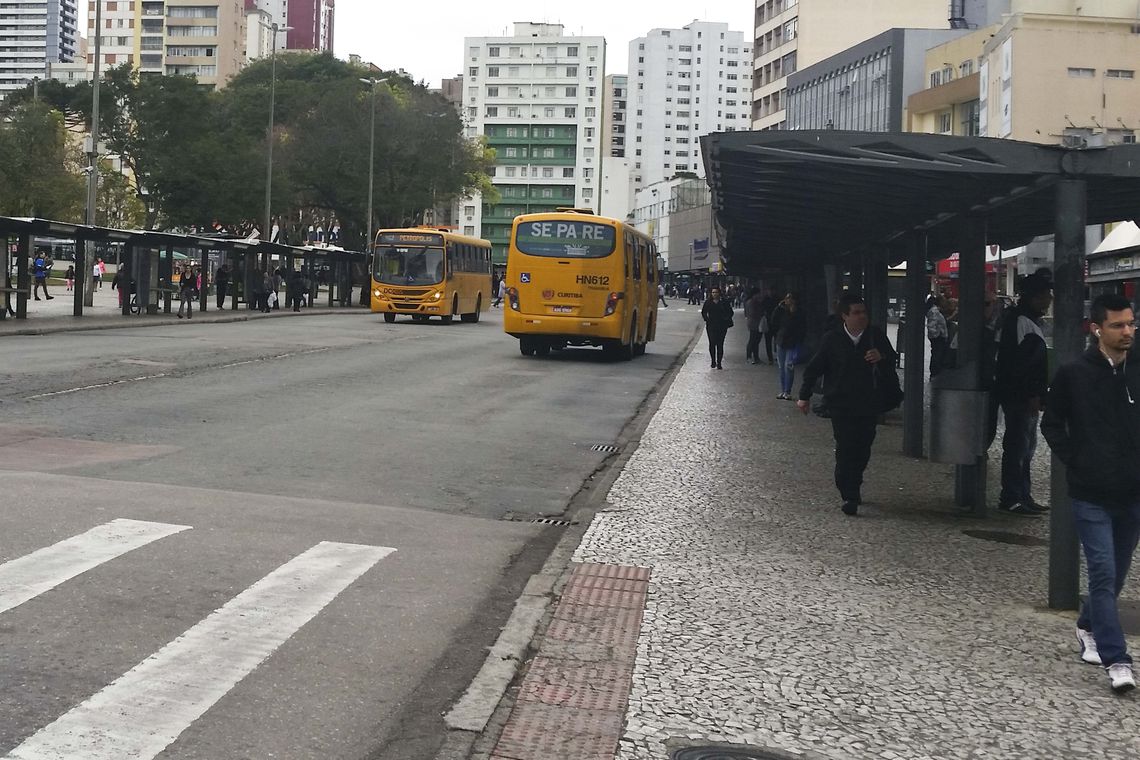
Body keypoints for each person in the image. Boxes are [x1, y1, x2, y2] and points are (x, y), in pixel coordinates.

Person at [1041, 293, 1140, 693]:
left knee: (1114, 575)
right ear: (1097, 328)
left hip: (1133, 491)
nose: (1128, 331)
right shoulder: (1073, 373)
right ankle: (1118, 660)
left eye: (1131, 323)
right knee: (1101, 572)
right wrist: (1076, 460)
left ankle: (1086, 624)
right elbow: (1052, 423)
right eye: (1118, 325)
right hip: (1090, 493)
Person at [797, 292, 899, 516]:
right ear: (845, 316)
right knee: (845, 447)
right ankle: (849, 493)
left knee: (863, 447)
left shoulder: (875, 336)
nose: (862, 316)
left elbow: (893, 359)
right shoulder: (832, 339)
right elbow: (815, 368)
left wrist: (881, 357)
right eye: (856, 313)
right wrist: (804, 396)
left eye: (864, 312)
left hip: (868, 403)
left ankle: (855, 481)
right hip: (841, 404)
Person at [993, 273, 1052, 516]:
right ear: (1035, 297)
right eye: (1046, 296)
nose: (1049, 300)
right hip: (1019, 397)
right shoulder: (1021, 322)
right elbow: (1022, 366)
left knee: (1026, 447)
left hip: (1022, 395)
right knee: (1018, 445)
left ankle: (1022, 494)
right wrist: (1032, 394)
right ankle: (1012, 496)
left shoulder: (1026, 321)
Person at [771, 292, 806, 399]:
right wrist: (778, 308)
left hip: (792, 342)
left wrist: (799, 341)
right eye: (786, 298)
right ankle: (783, 390)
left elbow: (803, 327)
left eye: (790, 298)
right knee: (781, 367)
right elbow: (773, 320)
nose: (787, 300)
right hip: (781, 341)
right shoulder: (782, 311)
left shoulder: (799, 313)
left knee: (788, 366)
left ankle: (787, 391)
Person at [700, 286, 734, 370]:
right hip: (711, 326)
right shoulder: (708, 302)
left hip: (722, 326)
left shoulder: (724, 302)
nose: (715, 294)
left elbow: (730, 312)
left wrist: (726, 319)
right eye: (713, 292)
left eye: (716, 292)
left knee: (720, 344)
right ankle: (713, 361)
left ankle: (719, 362)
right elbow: (704, 312)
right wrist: (707, 319)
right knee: (712, 343)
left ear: (719, 293)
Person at [927, 295, 949, 377]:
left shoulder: (937, 311)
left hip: (938, 338)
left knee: (937, 354)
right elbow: (931, 325)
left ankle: (935, 372)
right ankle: (934, 373)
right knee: (937, 355)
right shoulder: (935, 312)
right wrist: (937, 334)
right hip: (938, 338)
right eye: (943, 301)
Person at [758, 286, 779, 364]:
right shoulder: (765, 300)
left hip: (776, 323)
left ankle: (777, 355)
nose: (770, 292)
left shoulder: (778, 299)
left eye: (772, 290)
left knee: (777, 340)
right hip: (768, 322)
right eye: (769, 290)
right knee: (768, 341)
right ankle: (770, 358)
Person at [744, 287, 764, 364]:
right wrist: (761, 314)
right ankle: (749, 356)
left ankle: (756, 357)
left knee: (756, 341)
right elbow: (752, 313)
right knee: (752, 340)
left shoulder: (756, 301)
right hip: (754, 323)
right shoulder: (751, 302)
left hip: (756, 323)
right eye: (758, 294)